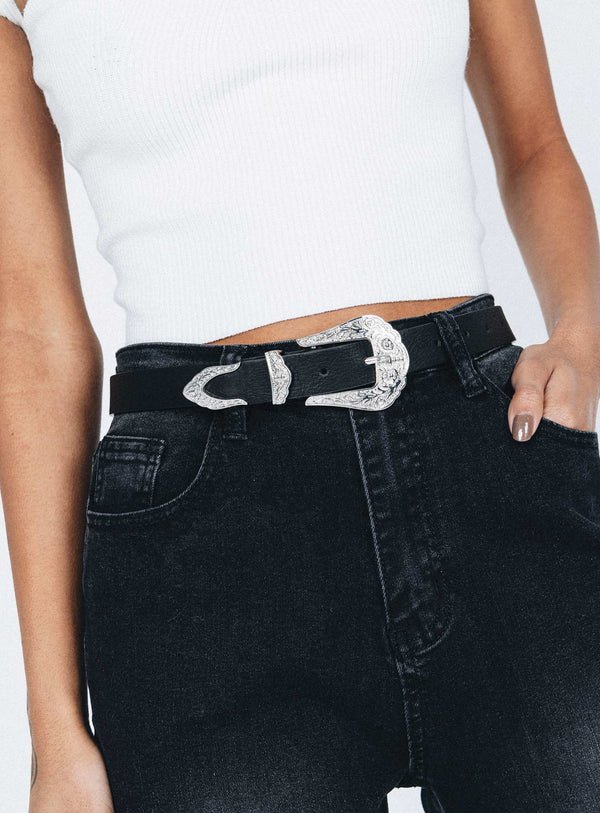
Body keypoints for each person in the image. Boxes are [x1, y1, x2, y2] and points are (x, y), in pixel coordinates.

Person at [1, 1, 599, 811]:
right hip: (205, 546)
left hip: (490, 457)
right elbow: (29, 332)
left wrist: (584, 330)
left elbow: (535, 144)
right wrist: (55, 736)